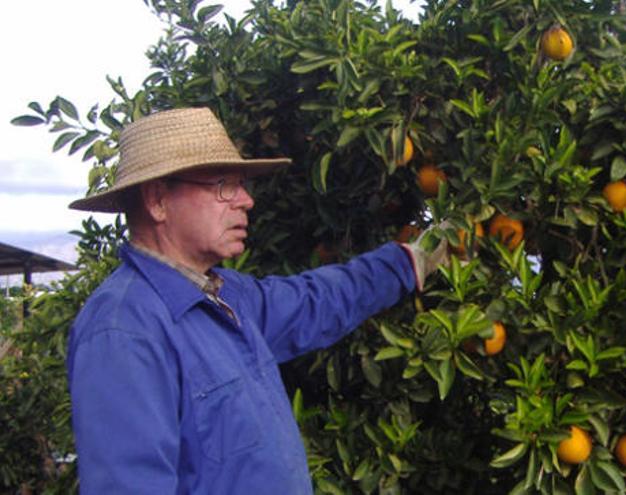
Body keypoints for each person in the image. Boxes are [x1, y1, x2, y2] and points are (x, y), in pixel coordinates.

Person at [66, 107, 447, 494]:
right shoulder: (124, 330)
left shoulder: (228, 297)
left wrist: (410, 260)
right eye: (223, 185)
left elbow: (318, 300)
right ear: (157, 200)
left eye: (243, 184)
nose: (246, 200)